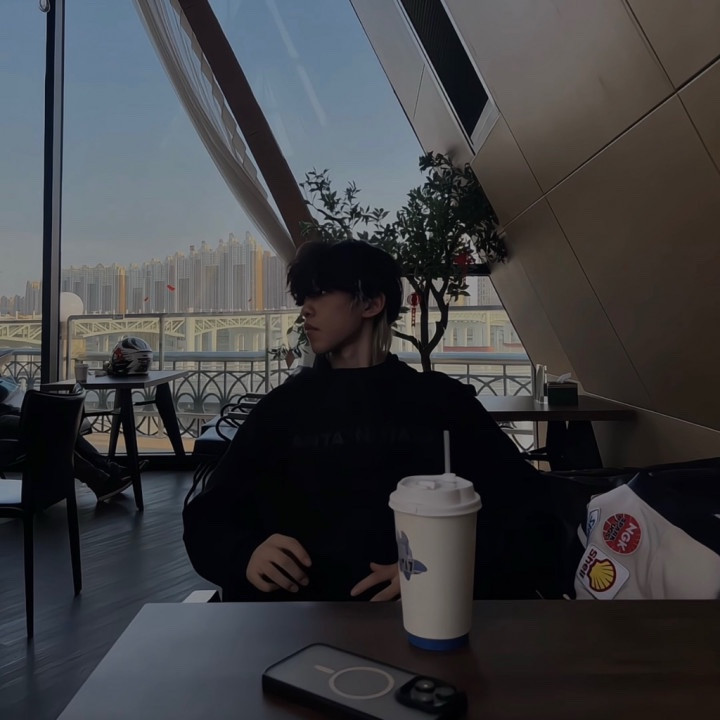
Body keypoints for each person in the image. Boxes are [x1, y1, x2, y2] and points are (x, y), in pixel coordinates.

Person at [183, 240, 564, 601]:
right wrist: (246, 553)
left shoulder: (442, 403)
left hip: (426, 619)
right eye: (303, 298)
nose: (305, 310)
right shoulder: (282, 409)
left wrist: (441, 567)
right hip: (299, 623)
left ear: (371, 303)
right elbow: (209, 517)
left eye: (320, 293)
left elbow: (532, 516)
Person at [0, 371, 133, 502]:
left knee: (57, 425)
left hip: (6, 413)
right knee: (47, 430)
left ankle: (106, 473)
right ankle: (100, 477)